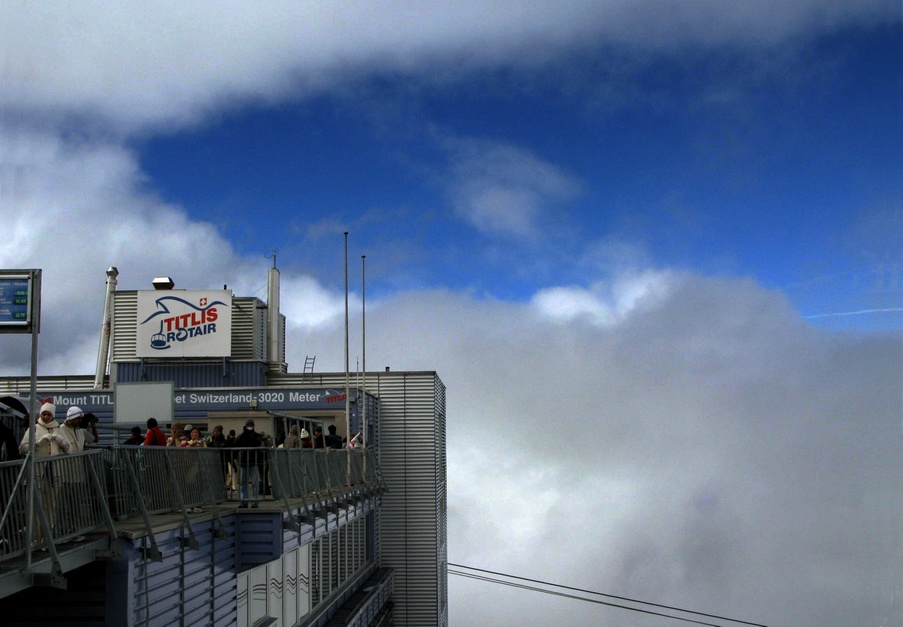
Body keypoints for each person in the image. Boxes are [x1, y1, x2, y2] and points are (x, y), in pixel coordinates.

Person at [235, 419, 264, 508]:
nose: (250, 427)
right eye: (248, 425)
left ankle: (255, 501)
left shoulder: (256, 435)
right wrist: (244, 433)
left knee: (255, 482)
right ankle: (244, 501)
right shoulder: (242, 436)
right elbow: (236, 442)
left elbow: (257, 443)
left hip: (253, 461)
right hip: (244, 462)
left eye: (251, 425)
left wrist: (250, 435)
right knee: (243, 483)